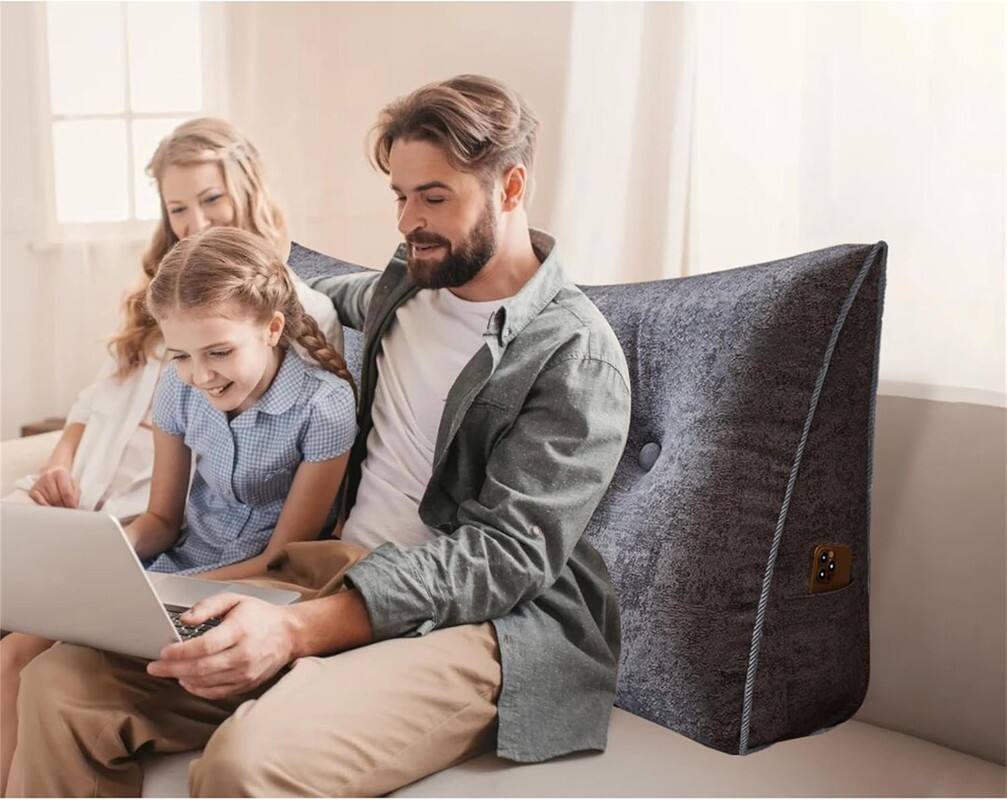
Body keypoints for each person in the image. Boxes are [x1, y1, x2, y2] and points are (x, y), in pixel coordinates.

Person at [7, 75, 632, 798]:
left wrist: (299, 630)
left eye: (434, 197)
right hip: (320, 570)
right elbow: (283, 302)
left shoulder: (572, 355)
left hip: (474, 621)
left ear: (512, 186)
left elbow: (504, 560)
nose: (408, 221)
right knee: (61, 685)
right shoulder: (407, 286)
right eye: (399, 195)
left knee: (249, 763)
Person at [0, 118, 345, 795]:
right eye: (177, 208)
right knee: (20, 649)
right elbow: (161, 519)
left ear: (272, 331)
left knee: (42, 664)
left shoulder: (322, 402)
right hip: (175, 567)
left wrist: (162, 591)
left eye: (218, 353)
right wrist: (108, 564)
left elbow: (287, 557)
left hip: (246, 583)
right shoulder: (179, 381)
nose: (201, 373)